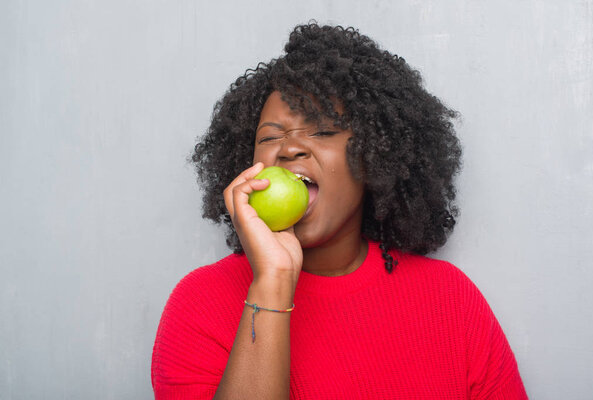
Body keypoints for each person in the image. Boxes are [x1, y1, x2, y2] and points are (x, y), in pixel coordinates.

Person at [151, 23, 528, 399]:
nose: (289, 149)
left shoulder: (451, 299)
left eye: (323, 131)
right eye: (269, 137)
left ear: (374, 155)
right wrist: (273, 284)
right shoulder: (199, 304)